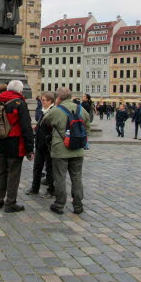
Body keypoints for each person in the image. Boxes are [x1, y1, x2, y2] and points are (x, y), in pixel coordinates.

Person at [43, 87, 90, 215]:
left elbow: (44, 120)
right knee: (76, 177)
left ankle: (59, 204)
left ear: (58, 98)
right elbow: (88, 128)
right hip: (78, 149)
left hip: (60, 149)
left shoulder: (56, 111)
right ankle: (78, 205)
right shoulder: (82, 110)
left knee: (60, 177)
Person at [0, 80, 34, 213]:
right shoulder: (20, 103)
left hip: (0, 141)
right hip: (15, 143)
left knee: (1, 172)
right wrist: (29, 148)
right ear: (20, 91)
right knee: (13, 174)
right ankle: (10, 203)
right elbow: (26, 127)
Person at [26, 91, 55, 196]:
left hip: (48, 145)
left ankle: (51, 190)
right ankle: (34, 188)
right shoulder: (45, 110)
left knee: (50, 168)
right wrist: (37, 127)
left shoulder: (52, 111)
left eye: (43, 100)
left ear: (50, 101)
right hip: (39, 144)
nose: (41, 102)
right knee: (37, 167)